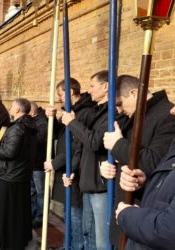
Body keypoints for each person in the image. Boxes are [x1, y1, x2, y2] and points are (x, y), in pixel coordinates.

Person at [100, 74, 175, 247]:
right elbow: (127, 159)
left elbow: (153, 162)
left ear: (134, 93)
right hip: (125, 208)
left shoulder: (166, 116)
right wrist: (111, 165)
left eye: (120, 103)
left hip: (142, 213)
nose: (119, 110)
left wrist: (117, 145)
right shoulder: (135, 117)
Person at [61, 70, 110, 250]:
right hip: (87, 180)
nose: (88, 91)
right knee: (87, 232)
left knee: (100, 240)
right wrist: (73, 170)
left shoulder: (110, 113)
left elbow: (94, 142)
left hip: (100, 183)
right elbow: (82, 146)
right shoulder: (96, 111)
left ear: (105, 87)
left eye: (92, 86)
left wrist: (73, 123)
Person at [45, 78, 95, 249]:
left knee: (76, 216)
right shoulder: (70, 111)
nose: (59, 98)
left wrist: (56, 163)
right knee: (69, 215)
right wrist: (50, 118)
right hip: (67, 169)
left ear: (70, 92)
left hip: (75, 171)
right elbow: (58, 135)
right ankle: (70, 245)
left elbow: (77, 145)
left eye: (60, 94)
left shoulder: (85, 112)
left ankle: (75, 246)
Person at [0, 98, 36, 250]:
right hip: (20, 174)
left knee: (8, 210)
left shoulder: (18, 127)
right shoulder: (30, 125)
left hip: (11, 175)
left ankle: (8, 243)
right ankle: (21, 238)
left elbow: (10, 152)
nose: (9, 109)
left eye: (12, 106)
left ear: (18, 110)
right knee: (19, 209)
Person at [28, 101, 48, 229]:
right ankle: (33, 213)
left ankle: (41, 217)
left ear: (32, 112)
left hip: (39, 162)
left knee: (40, 192)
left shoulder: (42, 121)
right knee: (32, 191)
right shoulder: (33, 119)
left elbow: (39, 140)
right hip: (32, 161)